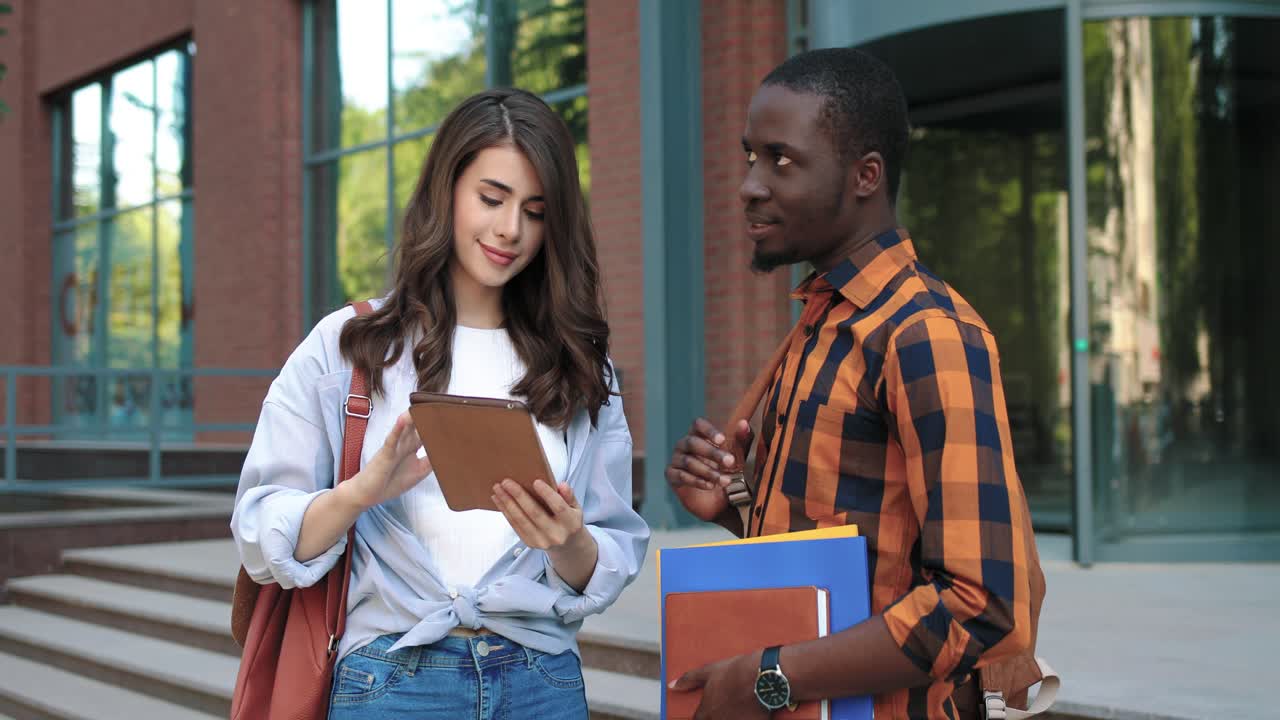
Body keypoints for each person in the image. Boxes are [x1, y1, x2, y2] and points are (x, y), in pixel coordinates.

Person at [232, 88, 649, 718]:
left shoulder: (580, 365)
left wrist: (568, 543)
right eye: (492, 198)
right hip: (392, 683)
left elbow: (613, 549)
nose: (511, 229)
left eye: (536, 211)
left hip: (541, 684)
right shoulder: (348, 347)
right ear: (446, 189)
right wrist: (359, 493)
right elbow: (259, 531)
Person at [665, 49, 1043, 720]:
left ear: (865, 175)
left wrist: (767, 678)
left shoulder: (926, 334)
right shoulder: (820, 322)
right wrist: (732, 512)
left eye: (782, 159)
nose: (751, 184)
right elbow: (862, 548)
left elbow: (981, 601)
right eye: (750, 155)